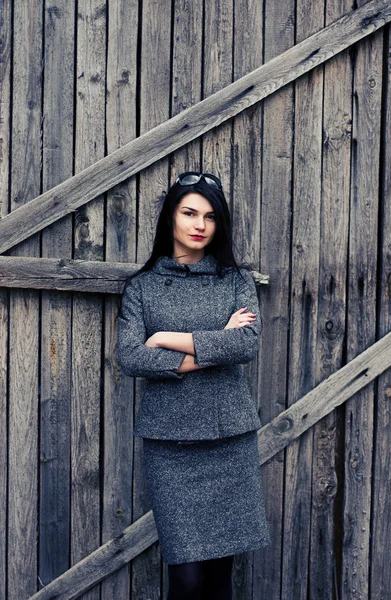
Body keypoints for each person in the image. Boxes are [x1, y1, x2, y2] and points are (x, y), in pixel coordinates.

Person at [116, 171, 271, 599]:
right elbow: (130, 356)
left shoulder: (236, 281)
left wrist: (165, 339)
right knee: (185, 578)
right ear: (171, 218)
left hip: (228, 438)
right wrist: (212, 345)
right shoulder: (142, 287)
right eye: (189, 213)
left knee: (221, 576)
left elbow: (245, 344)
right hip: (171, 445)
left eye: (209, 216)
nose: (199, 224)